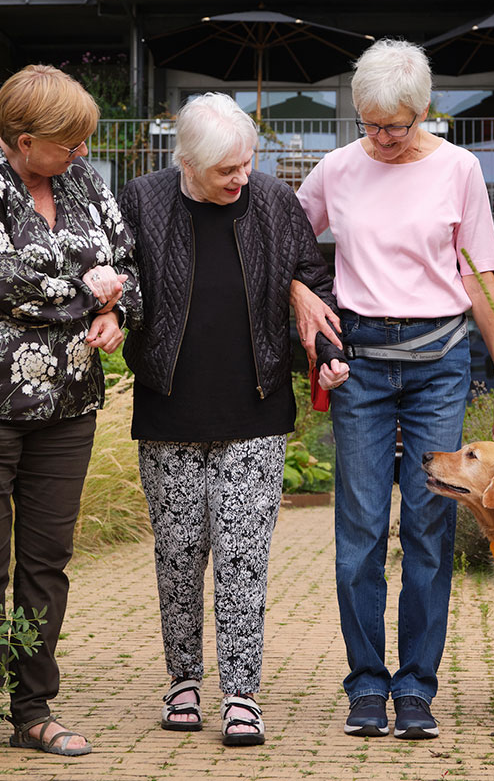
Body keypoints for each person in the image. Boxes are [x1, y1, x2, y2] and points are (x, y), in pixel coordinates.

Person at [295, 39, 494, 741]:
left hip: (438, 367)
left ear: (423, 112)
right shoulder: (337, 168)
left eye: (395, 126)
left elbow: (477, 276)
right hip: (360, 367)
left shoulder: (459, 168)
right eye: (369, 125)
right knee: (360, 533)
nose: (382, 139)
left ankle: (418, 688)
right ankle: (368, 685)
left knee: (429, 533)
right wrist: (300, 298)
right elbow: (283, 241)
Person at [0, 64, 141, 764]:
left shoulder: (80, 180)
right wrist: (87, 292)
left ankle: (33, 709)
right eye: (67, 144)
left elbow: (124, 255)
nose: (79, 156)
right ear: (21, 138)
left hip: (68, 403)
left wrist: (119, 314)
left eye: (82, 145)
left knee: (48, 563)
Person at [118, 92, 349, 747]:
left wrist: (328, 352)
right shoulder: (143, 199)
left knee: (245, 555)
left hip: (255, 411)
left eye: (247, 164)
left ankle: (241, 694)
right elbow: (125, 281)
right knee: (179, 555)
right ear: (187, 163)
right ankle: (183, 680)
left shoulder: (276, 202)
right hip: (169, 410)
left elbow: (312, 281)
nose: (241, 179)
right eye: (227, 170)